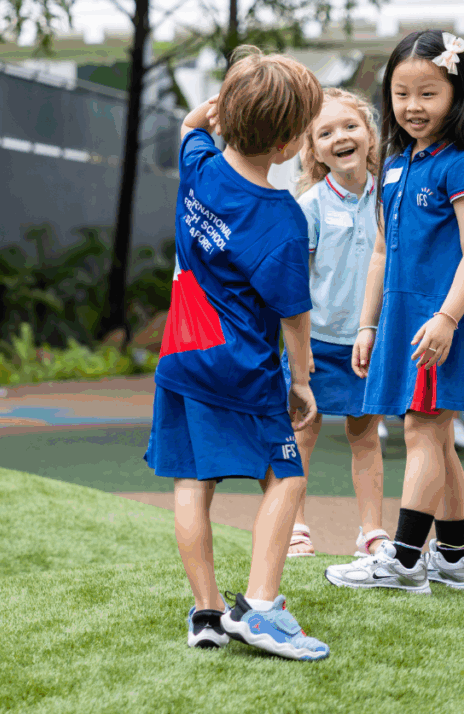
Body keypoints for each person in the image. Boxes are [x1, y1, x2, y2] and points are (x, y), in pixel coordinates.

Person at [145, 46, 330, 660]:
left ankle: (206, 613)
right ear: (286, 148)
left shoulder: (198, 165)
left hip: (182, 357)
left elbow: (189, 127)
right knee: (287, 474)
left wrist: (216, 110)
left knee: (193, 482)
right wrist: (301, 378)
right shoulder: (281, 218)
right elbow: (293, 313)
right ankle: (261, 608)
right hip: (242, 367)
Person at [324, 29, 464, 594]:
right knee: (438, 435)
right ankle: (450, 559)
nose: (412, 106)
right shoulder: (398, 165)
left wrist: (448, 318)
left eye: (427, 93)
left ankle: (404, 562)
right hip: (402, 324)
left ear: (457, 95)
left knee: (422, 428)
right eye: (402, 93)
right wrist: (367, 325)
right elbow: (381, 251)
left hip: (443, 320)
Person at [282, 88, 389, 560]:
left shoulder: (391, 198)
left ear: (370, 134)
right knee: (302, 431)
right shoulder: (308, 208)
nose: (340, 137)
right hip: (316, 342)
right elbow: (296, 285)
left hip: (369, 345)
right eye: (325, 132)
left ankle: (371, 531)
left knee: (365, 435)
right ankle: (295, 525)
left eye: (350, 126)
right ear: (314, 150)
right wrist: (295, 351)